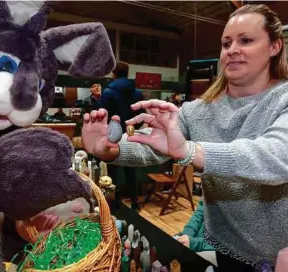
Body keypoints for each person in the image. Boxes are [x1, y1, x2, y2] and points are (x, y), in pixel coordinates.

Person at [82, 4, 288, 271]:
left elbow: (275, 157)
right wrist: (109, 148)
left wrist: (190, 150)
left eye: (246, 40)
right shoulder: (199, 109)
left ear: (274, 47)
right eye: (226, 43)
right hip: (222, 245)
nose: (232, 50)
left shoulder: (282, 100)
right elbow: (156, 144)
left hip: (277, 254)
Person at [99, 61, 145, 210]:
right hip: (130, 133)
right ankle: (134, 201)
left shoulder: (107, 92)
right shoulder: (137, 93)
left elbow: (101, 115)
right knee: (131, 168)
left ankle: (115, 201)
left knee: (113, 168)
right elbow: (140, 115)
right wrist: (132, 129)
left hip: (112, 134)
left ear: (114, 74)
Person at [174, 198, 217, 266]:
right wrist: (186, 234)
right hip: (196, 239)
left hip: (212, 248)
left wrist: (193, 243)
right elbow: (199, 214)